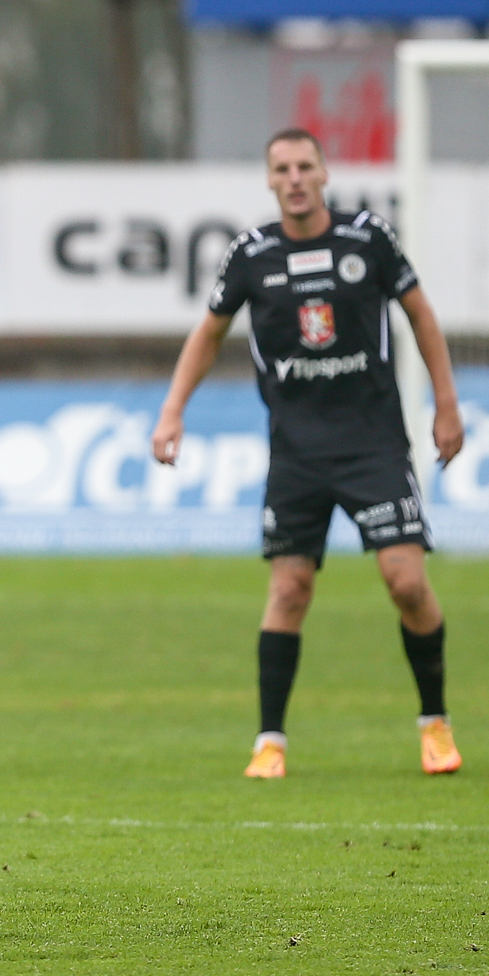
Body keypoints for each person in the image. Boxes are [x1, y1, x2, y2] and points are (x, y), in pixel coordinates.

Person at [151, 128, 465, 779]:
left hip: (373, 444)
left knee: (407, 584)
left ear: (324, 173)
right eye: (282, 169)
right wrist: (172, 409)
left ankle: (434, 723)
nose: (294, 178)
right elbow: (208, 334)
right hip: (296, 453)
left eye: (304, 166)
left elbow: (421, 314)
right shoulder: (250, 255)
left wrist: (446, 403)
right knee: (290, 589)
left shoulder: (367, 239)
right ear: (269, 180)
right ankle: (270, 742)